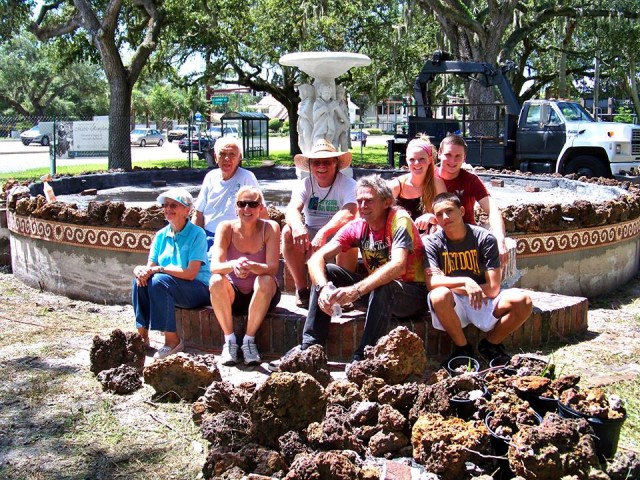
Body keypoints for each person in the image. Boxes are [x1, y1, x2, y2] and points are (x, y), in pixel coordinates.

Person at [271, 174, 428, 369]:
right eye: (359, 201)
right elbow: (316, 259)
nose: (362, 206)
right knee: (328, 271)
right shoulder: (358, 226)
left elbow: (398, 265)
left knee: (384, 285)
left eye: (369, 201)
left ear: (387, 202)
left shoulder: (399, 220)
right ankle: (310, 348)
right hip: (377, 293)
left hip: (412, 294)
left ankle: (362, 358)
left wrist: (355, 290)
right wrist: (324, 288)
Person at [423, 192, 532, 365]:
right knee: (438, 295)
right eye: (439, 214)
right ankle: (463, 349)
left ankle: (490, 345)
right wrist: (466, 283)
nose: (445, 217)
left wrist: (455, 283)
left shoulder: (484, 238)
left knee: (523, 300)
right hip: (455, 301)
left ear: (462, 211)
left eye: (449, 211)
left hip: (483, 297)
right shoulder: (432, 243)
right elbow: (432, 283)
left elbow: (493, 287)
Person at [132, 188, 211, 360]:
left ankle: (172, 340)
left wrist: (159, 269)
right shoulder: (161, 235)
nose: (168, 209)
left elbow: (191, 273)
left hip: (198, 288)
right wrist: (140, 271)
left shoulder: (197, 234)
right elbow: (149, 268)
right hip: (169, 285)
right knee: (139, 281)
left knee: (159, 280)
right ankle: (141, 337)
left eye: (174, 205)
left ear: (187, 210)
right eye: (165, 205)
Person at [208, 186, 281, 366]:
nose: (247, 209)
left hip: (264, 292)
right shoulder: (225, 228)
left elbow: (272, 268)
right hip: (235, 293)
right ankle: (230, 341)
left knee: (264, 279)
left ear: (260, 207)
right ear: (236, 207)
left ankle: (249, 341)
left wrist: (252, 266)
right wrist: (234, 265)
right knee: (216, 280)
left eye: (252, 204)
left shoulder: (270, 227)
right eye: (242, 204)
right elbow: (215, 266)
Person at [283, 139, 358, 308]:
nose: (321, 166)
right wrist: (298, 227)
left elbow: (349, 213)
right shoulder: (305, 184)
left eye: (327, 162)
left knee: (352, 230)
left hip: (337, 237)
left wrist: (323, 233)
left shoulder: (349, 185)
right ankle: (302, 289)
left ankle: (344, 290)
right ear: (310, 166)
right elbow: (292, 209)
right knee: (287, 232)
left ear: (336, 164)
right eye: (316, 163)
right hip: (310, 237)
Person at [436, 134, 509, 266]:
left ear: (464, 158)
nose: (452, 161)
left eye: (458, 156)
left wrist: (500, 238)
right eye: (448, 155)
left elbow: (491, 208)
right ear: (439, 153)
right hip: (437, 235)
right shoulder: (429, 178)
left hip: (466, 236)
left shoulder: (471, 180)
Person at [193, 137, 262, 249]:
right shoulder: (210, 177)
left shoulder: (247, 177)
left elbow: (260, 211)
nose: (227, 158)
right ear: (215, 157)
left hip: (236, 238)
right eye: (222, 154)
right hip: (209, 238)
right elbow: (198, 214)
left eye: (232, 154)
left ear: (239, 157)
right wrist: (193, 242)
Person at [388, 135, 447, 231]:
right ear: (406, 161)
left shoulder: (437, 184)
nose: (416, 163)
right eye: (412, 159)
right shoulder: (396, 186)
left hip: (429, 241)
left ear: (430, 160)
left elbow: (446, 217)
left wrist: (431, 218)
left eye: (421, 159)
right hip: (399, 239)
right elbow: (380, 217)